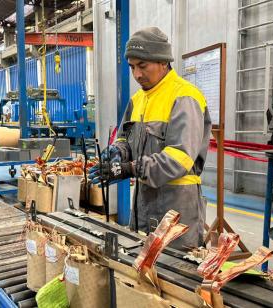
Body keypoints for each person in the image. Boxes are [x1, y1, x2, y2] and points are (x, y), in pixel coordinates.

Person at [89, 27, 212, 250]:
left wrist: (129, 169)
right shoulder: (137, 100)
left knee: (174, 273)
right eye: (132, 67)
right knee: (142, 268)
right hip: (144, 203)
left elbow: (179, 158)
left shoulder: (185, 97)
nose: (137, 74)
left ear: (163, 62)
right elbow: (125, 138)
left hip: (177, 209)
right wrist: (118, 152)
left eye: (142, 66)